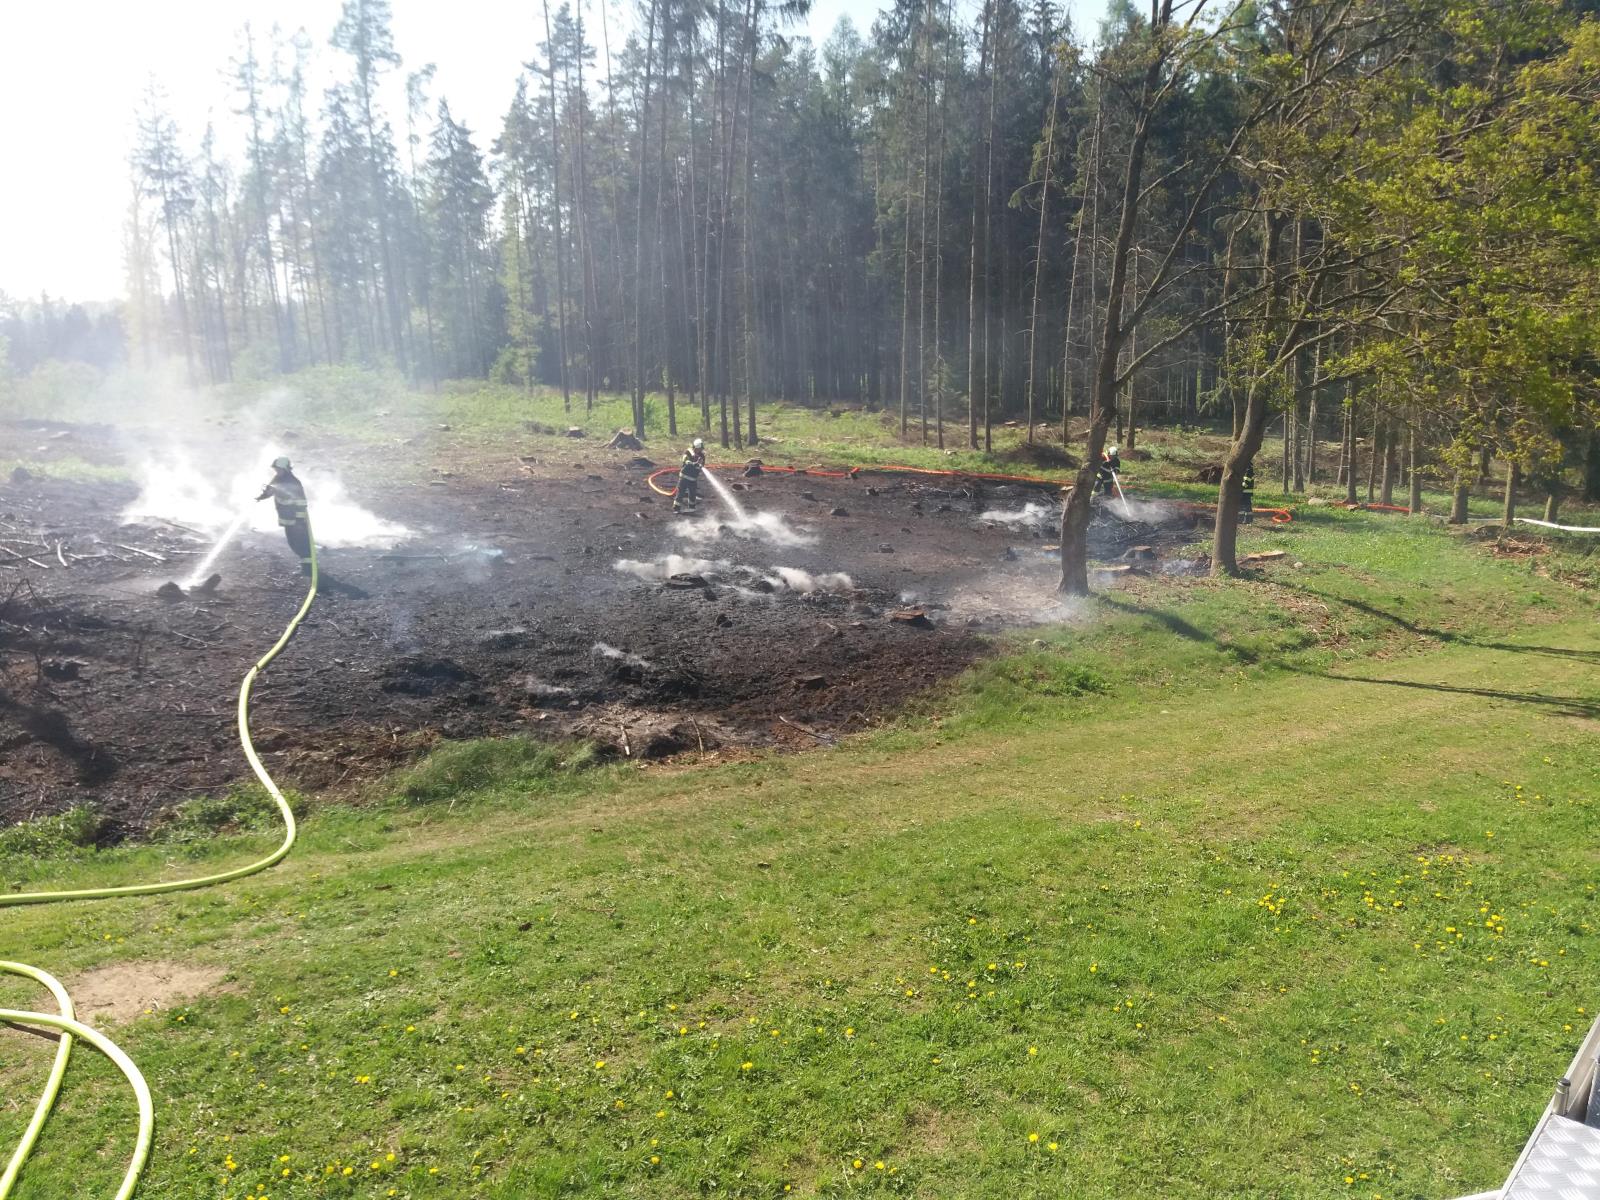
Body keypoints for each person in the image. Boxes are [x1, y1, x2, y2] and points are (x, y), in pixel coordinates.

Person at [257, 456, 313, 575]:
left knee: (301, 544)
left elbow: (301, 502)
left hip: (295, 520)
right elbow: (271, 490)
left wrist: (299, 519)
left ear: (285, 469)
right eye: (276, 469)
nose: (276, 471)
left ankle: (308, 569)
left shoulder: (293, 482)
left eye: (278, 469)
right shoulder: (278, 478)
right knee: (293, 543)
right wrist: (262, 496)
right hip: (287, 519)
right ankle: (306, 568)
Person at [674, 438, 707, 514]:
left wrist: (699, 465)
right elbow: (685, 460)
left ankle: (692, 508)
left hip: (693, 478)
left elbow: (702, 465)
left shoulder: (702, 456)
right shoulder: (688, 452)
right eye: (699, 449)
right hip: (684, 477)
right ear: (695, 447)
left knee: (693, 493)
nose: (700, 450)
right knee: (681, 493)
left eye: (701, 449)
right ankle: (676, 508)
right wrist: (693, 463)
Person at [1240, 459, 1256, 525]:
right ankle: (1242, 519)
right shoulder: (1247, 471)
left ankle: (1248, 520)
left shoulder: (1249, 471)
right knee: (1243, 506)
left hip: (1246, 492)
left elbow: (1246, 483)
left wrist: (1239, 487)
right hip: (1245, 492)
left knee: (1247, 506)